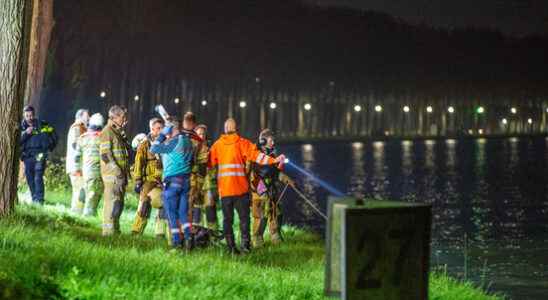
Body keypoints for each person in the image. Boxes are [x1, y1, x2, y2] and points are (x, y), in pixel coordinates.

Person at [208, 118, 285, 254]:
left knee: (227, 220)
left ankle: (231, 247)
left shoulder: (217, 145)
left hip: (225, 191)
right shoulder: (242, 143)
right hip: (241, 190)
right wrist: (274, 160)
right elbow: (257, 156)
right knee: (244, 220)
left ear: (225, 130)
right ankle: (246, 246)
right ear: (236, 129)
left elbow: (208, 163)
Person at [150, 117, 194, 251]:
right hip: (186, 181)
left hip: (173, 181)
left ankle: (176, 242)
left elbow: (154, 148)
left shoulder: (173, 143)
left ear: (171, 129)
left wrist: (163, 134)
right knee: (183, 213)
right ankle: (188, 238)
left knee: (171, 213)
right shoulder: (188, 142)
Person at [249, 129, 294, 247]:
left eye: (273, 140)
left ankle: (275, 236)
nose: (273, 143)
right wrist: (259, 189)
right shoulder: (254, 154)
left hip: (271, 189)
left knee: (275, 212)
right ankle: (257, 239)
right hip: (258, 189)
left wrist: (286, 179)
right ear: (263, 141)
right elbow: (249, 174)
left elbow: (276, 172)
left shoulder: (272, 155)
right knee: (260, 216)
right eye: (270, 140)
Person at [131, 118, 168, 239]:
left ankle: (160, 233)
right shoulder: (145, 144)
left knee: (163, 204)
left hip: (164, 181)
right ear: (152, 129)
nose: (160, 131)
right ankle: (136, 231)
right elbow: (138, 164)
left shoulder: (167, 144)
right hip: (149, 180)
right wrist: (137, 181)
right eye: (158, 128)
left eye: (162, 128)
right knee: (144, 204)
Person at [99, 105, 130, 236]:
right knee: (111, 202)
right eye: (123, 117)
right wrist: (117, 171)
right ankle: (108, 231)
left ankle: (115, 230)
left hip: (120, 175)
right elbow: (105, 155)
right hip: (112, 176)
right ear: (115, 117)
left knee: (118, 203)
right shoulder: (107, 131)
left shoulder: (117, 132)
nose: (125, 119)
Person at [20, 105, 57, 204]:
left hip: (40, 155)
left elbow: (54, 136)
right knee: (30, 178)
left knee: (38, 177)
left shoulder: (43, 124)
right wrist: (26, 134)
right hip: (27, 156)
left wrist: (49, 147)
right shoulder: (21, 127)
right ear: (24, 116)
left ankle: (39, 200)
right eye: (27, 116)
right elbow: (17, 143)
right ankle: (34, 198)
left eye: (31, 115)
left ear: (34, 114)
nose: (29, 118)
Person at [181, 112, 208, 228]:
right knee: (187, 205)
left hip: (183, 178)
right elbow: (202, 163)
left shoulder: (177, 137)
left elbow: (202, 164)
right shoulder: (197, 141)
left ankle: (186, 234)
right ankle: (187, 233)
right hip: (187, 178)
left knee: (187, 205)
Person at [74, 113, 104, 216]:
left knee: (87, 193)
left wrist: (77, 169)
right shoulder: (102, 138)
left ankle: (79, 213)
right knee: (93, 196)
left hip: (85, 172)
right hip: (97, 173)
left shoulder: (83, 137)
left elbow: (76, 156)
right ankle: (88, 216)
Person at [193, 124, 219, 232]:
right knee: (196, 210)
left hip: (208, 183)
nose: (201, 136)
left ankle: (213, 234)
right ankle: (197, 234)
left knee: (210, 209)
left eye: (203, 134)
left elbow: (215, 164)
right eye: (199, 134)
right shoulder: (191, 148)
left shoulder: (211, 148)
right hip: (196, 182)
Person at [67, 109, 90, 213]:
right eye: (86, 116)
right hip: (76, 166)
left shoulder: (81, 128)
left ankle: (76, 211)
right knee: (80, 190)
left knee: (79, 190)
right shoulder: (76, 128)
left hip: (78, 165)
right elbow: (76, 144)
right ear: (80, 117)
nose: (88, 118)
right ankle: (77, 212)